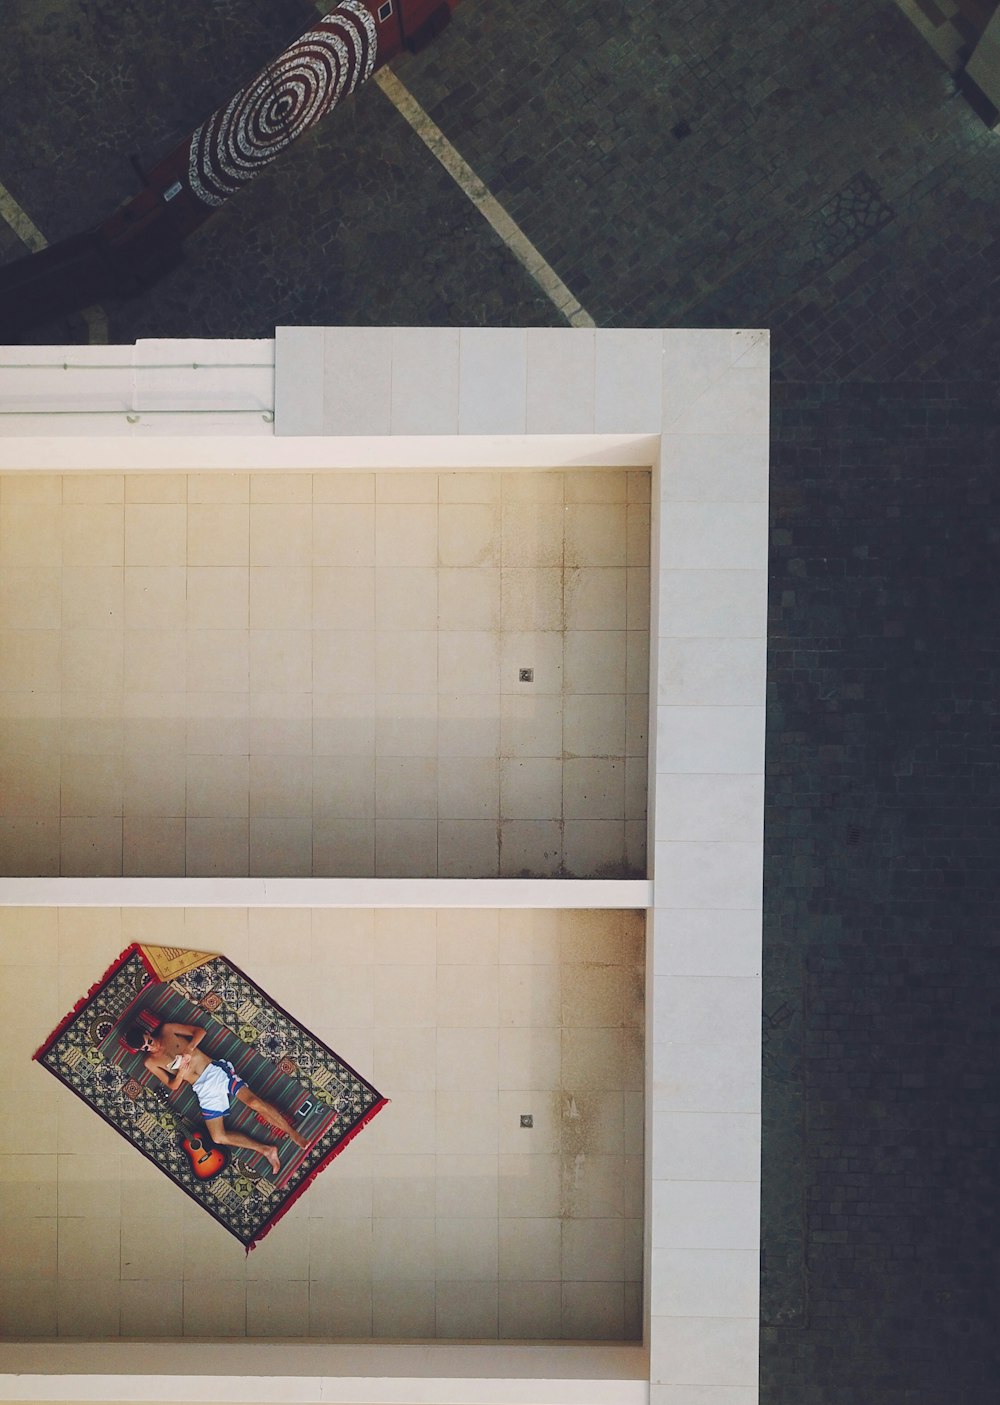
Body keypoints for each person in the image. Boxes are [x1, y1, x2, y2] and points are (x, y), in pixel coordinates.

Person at [124, 1018, 308, 1174]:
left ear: (148, 1032)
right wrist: (180, 1072)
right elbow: (172, 1085)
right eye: (146, 1047)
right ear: (141, 1050)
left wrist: (189, 1050)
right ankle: (267, 1150)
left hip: (215, 1072)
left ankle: (292, 1133)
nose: (150, 1045)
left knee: (253, 1102)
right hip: (202, 1089)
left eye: (148, 1040)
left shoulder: (167, 1030)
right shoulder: (150, 1062)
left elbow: (200, 1032)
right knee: (217, 1137)